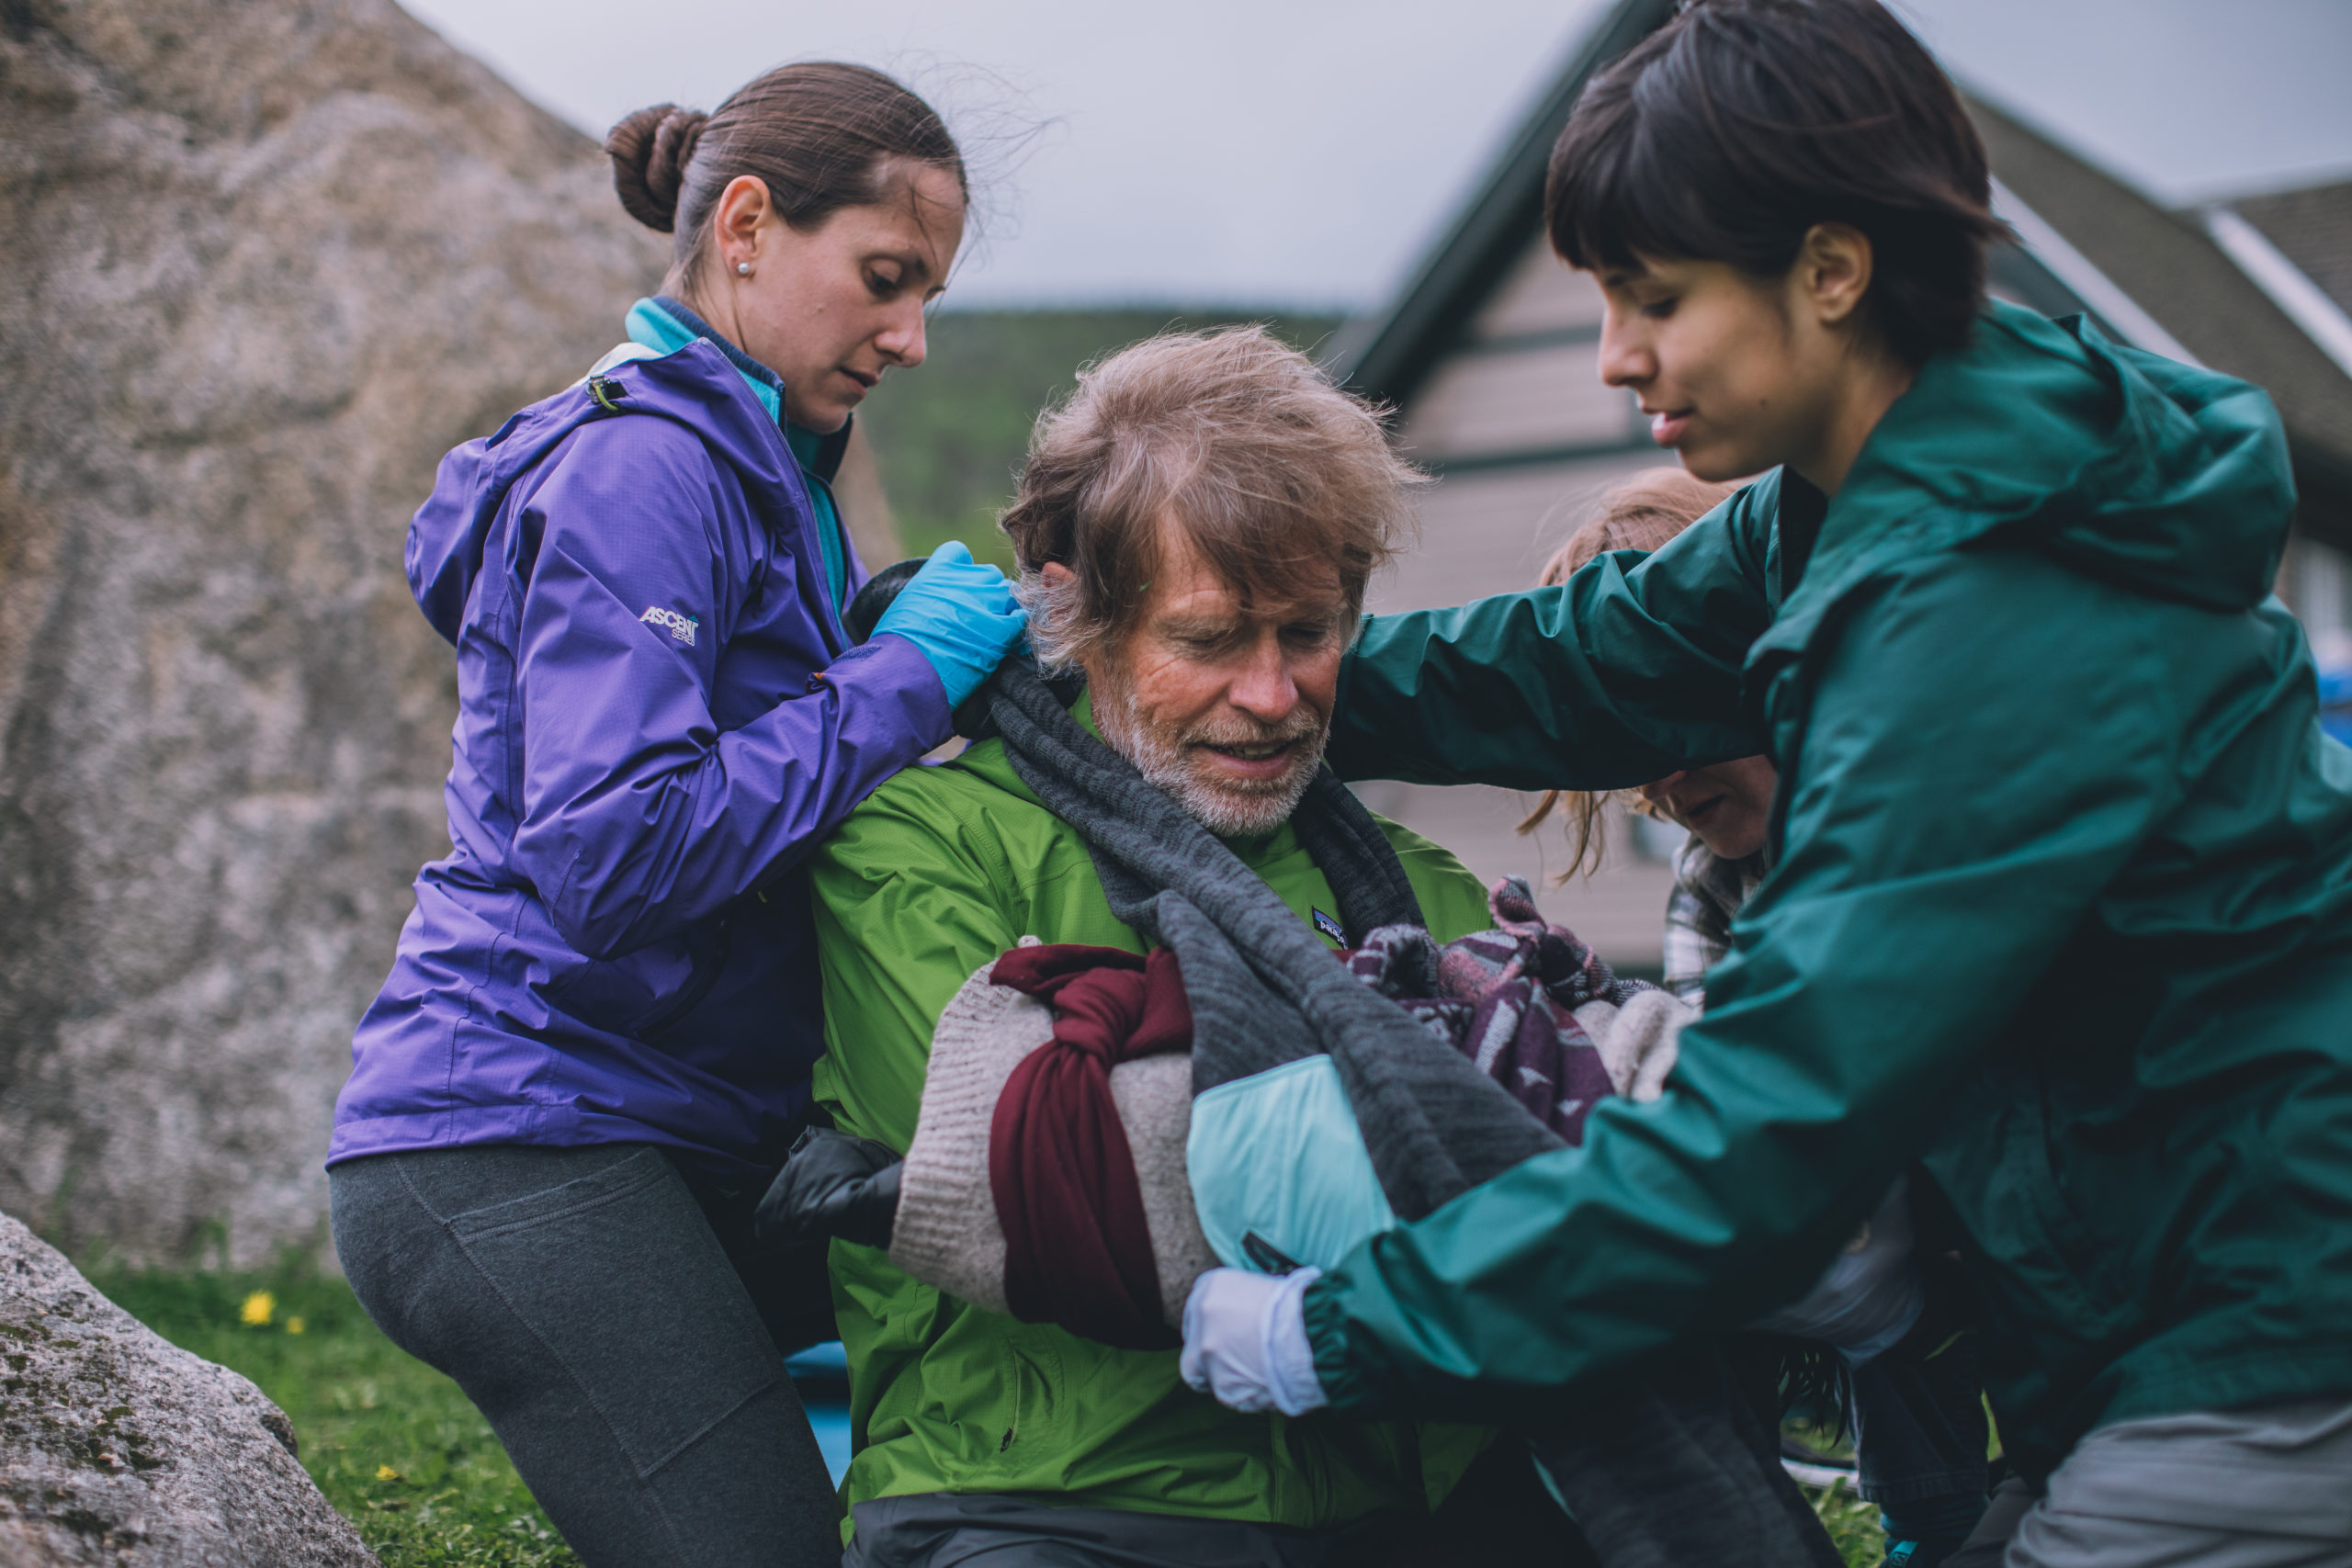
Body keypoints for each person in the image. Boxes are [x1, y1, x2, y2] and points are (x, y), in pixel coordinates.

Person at [1181, 4, 2352, 1564]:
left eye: (1653, 298)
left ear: (1829, 268)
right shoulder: (1858, 500)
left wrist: (1349, 1326)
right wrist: (1261, 678)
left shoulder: (1990, 608)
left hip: (2264, 1353)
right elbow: (1578, 660)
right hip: (2161, 1337)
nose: (1613, 355)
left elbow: (1776, 1127)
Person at [325, 63, 1026, 1568]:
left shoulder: (759, 462)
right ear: (751, 228)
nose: (912, 338)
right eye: (888, 281)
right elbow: (614, 849)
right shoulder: (641, 470)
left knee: (1062, 1274)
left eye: (931, 297)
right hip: (517, 1140)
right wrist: (902, 681)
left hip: (670, 1131)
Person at [802, 328, 1572, 1567]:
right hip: (1045, 1505)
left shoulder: (1414, 883)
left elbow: (1571, 1189)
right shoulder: (916, 843)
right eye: (1210, 640)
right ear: (1072, 608)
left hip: (1398, 1502)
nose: (1272, 694)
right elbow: (1027, 1167)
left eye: (1309, 632)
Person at [1533, 479, 1998, 1567]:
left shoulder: (1940, 819)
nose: (1663, 766)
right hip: (1906, 1337)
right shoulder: (1715, 884)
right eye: (1626, 728)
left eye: (1683, 703)